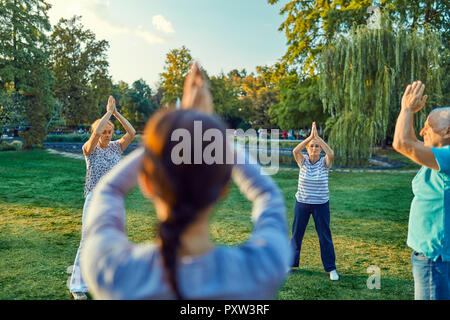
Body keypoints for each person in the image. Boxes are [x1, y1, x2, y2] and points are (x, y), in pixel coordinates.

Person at [80, 63, 291, 299]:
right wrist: (206, 131)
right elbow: (268, 196)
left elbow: (108, 190)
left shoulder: (113, 273)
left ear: (147, 184)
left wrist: (168, 135)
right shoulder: (261, 271)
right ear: (224, 189)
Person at [69, 95, 136, 300]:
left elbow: (132, 132)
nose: (106, 135)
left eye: (109, 132)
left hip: (113, 199)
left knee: (115, 240)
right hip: (93, 198)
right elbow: (97, 131)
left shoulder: (117, 147)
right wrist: (107, 112)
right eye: (103, 132)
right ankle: (77, 287)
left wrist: (116, 113)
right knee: (87, 240)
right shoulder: (89, 150)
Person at [392, 80, 450, 300]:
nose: (423, 130)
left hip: (434, 259)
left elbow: (403, 142)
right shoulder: (439, 156)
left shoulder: (447, 156)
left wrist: (407, 109)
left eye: (429, 125)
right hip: (433, 257)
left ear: (448, 131)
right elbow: (412, 141)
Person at [290, 122, 339, 280]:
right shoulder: (302, 160)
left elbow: (330, 153)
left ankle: (331, 269)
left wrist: (317, 138)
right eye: (312, 146)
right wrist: (310, 138)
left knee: (324, 236)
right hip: (302, 204)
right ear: (307, 148)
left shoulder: (324, 163)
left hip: (321, 205)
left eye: (317, 146)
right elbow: (295, 150)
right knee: (297, 235)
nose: (314, 148)